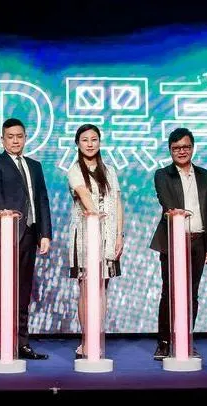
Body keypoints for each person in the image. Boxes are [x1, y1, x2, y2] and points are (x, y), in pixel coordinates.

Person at [0, 118, 52, 360]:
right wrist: (3, 213)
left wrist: (45, 234)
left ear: (25, 138)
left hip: (30, 234)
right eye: (10, 136)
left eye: (19, 136)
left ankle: (22, 344)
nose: (15, 141)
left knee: (23, 292)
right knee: (2, 291)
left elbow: (42, 200)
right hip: (6, 233)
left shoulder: (35, 166)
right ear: (2, 139)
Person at [150, 127, 207, 360]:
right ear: (170, 150)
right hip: (173, 241)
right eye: (176, 148)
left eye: (186, 147)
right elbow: (167, 202)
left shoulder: (206, 176)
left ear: (193, 148)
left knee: (192, 293)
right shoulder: (162, 175)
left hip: (198, 240)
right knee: (169, 292)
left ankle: (185, 339)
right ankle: (164, 342)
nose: (182, 151)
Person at [66, 124, 124, 359]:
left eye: (94, 139)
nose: (90, 144)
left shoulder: (109, 170)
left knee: (101, 289)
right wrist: (96, 217)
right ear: (77, 143)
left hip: (108, 237)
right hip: (85, 235)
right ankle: (86, 341)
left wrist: (119, 235)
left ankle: (96, 338)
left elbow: (117, 202)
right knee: (86, 289)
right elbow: (84, 195)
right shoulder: (74, 170)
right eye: (85, 140)